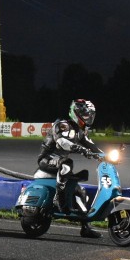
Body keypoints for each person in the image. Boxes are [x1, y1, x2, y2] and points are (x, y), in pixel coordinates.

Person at [37, 98, 103, 239]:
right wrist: (80, 149)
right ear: (76, 113)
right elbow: (62, 142)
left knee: (80, 191)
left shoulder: (80, 131)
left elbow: (91, 145)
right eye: (86, 114)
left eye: (90, 114)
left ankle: (85, 228)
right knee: (67, 163)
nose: (88, 117)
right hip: (47, 159)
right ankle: (58, 198)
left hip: (61, 163)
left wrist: (106, 156)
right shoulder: (62, 125)